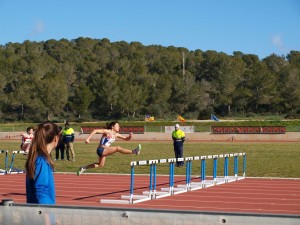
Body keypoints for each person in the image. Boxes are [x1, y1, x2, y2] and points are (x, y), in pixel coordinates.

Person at [77, 121, 141, 176]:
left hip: (105, 151)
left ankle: (83, 168)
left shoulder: (116, 134)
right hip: (101, 149)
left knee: (100, 165)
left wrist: (130, 136)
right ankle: (134, 151)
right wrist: (88, 138)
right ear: (112, 126)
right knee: (117, 148)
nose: (119, 127)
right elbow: (95, 130)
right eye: (117, 126)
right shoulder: (107, 131)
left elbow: (126, 139)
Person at [25, 121, 60, 204]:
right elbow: (41, 191)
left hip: (36, 212)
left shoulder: (37, 157)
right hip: (42, 213)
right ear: (56, 138)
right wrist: (46, 215)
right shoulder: (42, 160)